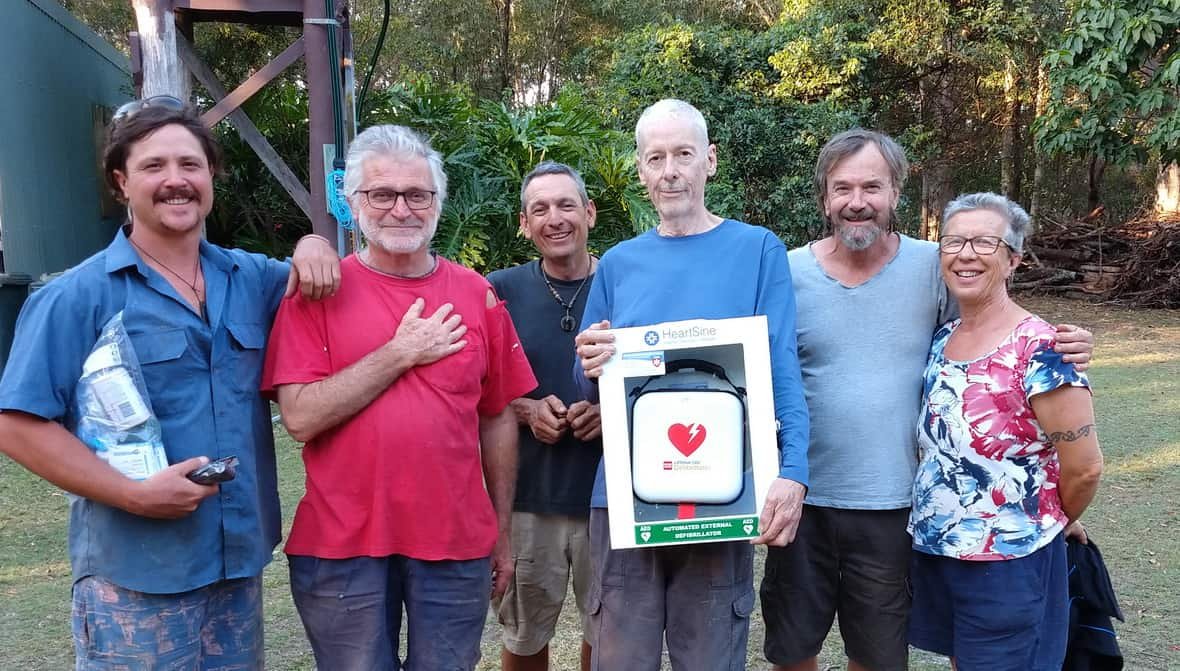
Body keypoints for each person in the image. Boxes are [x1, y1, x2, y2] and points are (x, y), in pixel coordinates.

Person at [0, 97, 339, 668]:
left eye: (190, 164)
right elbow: (16, 425)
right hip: (134, 576)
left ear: (211, 177)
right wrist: (132, 494)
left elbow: (323, 280)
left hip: (238, 566)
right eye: (153, 166)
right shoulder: (76, 296)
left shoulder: (251, 279)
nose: (175, 180)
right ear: (121, 182)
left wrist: (314, 242)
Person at [759, 129, 1094, 671]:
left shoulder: (930, 265)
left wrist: (1067, 345)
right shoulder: (786, 271)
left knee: (878, 655)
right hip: (802, 499)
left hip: (895, 507)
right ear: (824, 198)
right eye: (843, 188)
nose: (857, 201)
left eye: (872, 186)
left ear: (896, 193)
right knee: (792, 651)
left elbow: (990, 331)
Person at [261, 124, 538, 671]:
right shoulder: (317, 292)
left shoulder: (476, 294)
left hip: (456, 542)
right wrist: (400, 352)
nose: (401, 209)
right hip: (342, 546)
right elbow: (300, 417)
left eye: (417, 195)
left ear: (437, 202)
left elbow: (497, 418)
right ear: (352, 203)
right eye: (382, 194)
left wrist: (502, 531)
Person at [573, 98, 810, 671]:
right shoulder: (618, 264)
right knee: (620, 661)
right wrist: (588, 362)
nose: (670, 171)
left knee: (709, 658)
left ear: (710, 160)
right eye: (656, 158)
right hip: (627, 498)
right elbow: (587, 386)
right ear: (640, 169)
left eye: (683, 154)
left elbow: (780, 367)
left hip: (721, 493)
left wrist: (794, 470)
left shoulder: (757, 249)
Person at [908, 192, 1104, 669]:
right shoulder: (942, 339)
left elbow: (1085, 468)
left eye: (984, 242)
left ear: (1013, 259)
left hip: (1010, 562)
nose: (966, 254)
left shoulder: (1044, 350)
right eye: (954, 242)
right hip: (943, 553)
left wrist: (1050, 517)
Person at [487, 161, 602, 671]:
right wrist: (525, 409)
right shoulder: (499, 290)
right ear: (524, 223)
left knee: (609, 633)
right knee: (524, 636)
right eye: (540, 209)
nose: (555, 218)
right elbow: (472, 389)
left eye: (566, 205)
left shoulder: (624, 281)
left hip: (609, 498)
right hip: (528, 500)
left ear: (589, 213)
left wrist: (610, 414)